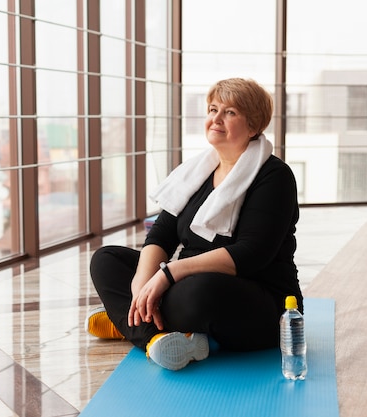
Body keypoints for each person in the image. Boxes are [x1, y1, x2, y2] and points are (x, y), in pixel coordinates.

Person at [85, 78, 303, 371]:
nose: (216, 119)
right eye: (213, 109)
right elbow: (161, 235)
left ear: (253, 127)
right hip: (185, 281)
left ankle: (125, 321)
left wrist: (167, 276)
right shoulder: (198, 171)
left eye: (230, 113)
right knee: (106, 259)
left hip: (258, 300)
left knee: (197, 294)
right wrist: (142, 285)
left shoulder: (274, 176)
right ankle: (153, 338)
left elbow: (251, 254)